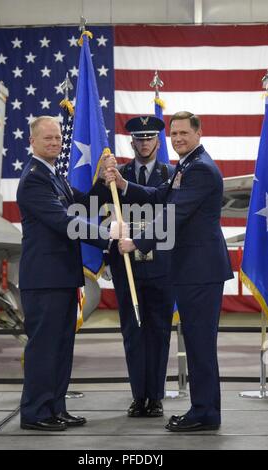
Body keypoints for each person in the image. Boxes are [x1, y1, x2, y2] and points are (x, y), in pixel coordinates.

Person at [104, 111, 233, 432]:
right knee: (196, 341)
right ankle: (204, 410)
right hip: (192, 270)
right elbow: (159, 195)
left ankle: (204, 413)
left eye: (183, 133)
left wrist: (137, 242)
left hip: (200, 270)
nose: (177, 139)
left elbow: (173, 214)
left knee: (200, 343)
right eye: (173, 134)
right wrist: (123, 184)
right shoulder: (187, 166)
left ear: (198, 133)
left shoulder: (200, 169)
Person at [17, 116, 112, 431]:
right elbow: (64, 222)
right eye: (47, 138)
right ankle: (35, 412)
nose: (54, 143)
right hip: (44, 281)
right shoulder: (34, 180)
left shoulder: (54, 176)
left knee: (61, 348)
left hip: (61, 279)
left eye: (57, 138)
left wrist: (102, 180)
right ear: (32, 141)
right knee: (44, 348)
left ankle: (55, 407)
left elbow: (83, 208)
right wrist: (109, 237)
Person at [106, 116, 175, 417]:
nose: (144, 142)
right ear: (131, 142)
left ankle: (156, 396)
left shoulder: (171, 175)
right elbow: (103, 215)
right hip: (127, 266)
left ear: (158, 142)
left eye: (149, 138)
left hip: (162, 266)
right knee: (132, 332)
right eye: (139, 138)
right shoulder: (115, 175)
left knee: (159, 332)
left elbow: (172, 219)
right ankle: (138, 396)